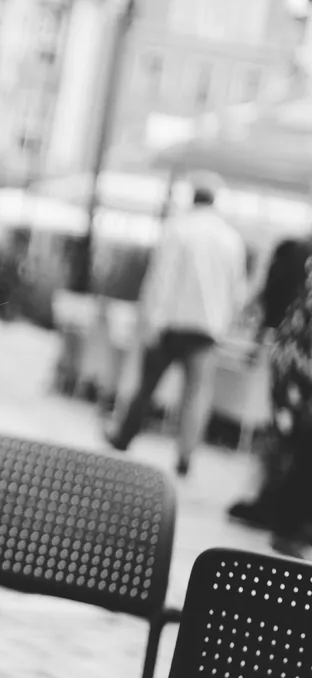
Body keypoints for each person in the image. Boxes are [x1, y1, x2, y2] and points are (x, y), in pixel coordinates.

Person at [107, 173, 247, 476]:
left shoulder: (178, 228)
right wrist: (225, 327)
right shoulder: (231, 239)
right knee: (197, 394)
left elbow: (161, 279)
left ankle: (124, 436)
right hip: (207, 330)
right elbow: (237, 292)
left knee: (147, 386)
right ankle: (186, 456)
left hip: (170, 324)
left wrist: (151, 322)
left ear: (192, 197)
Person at [230, 237, 312, 557]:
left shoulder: (299, 252)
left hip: (292, 361)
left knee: (290, 440)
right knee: (300, 444)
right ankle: (287, 524)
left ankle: (275, 511)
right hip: (300, 366)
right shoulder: (300, 252)